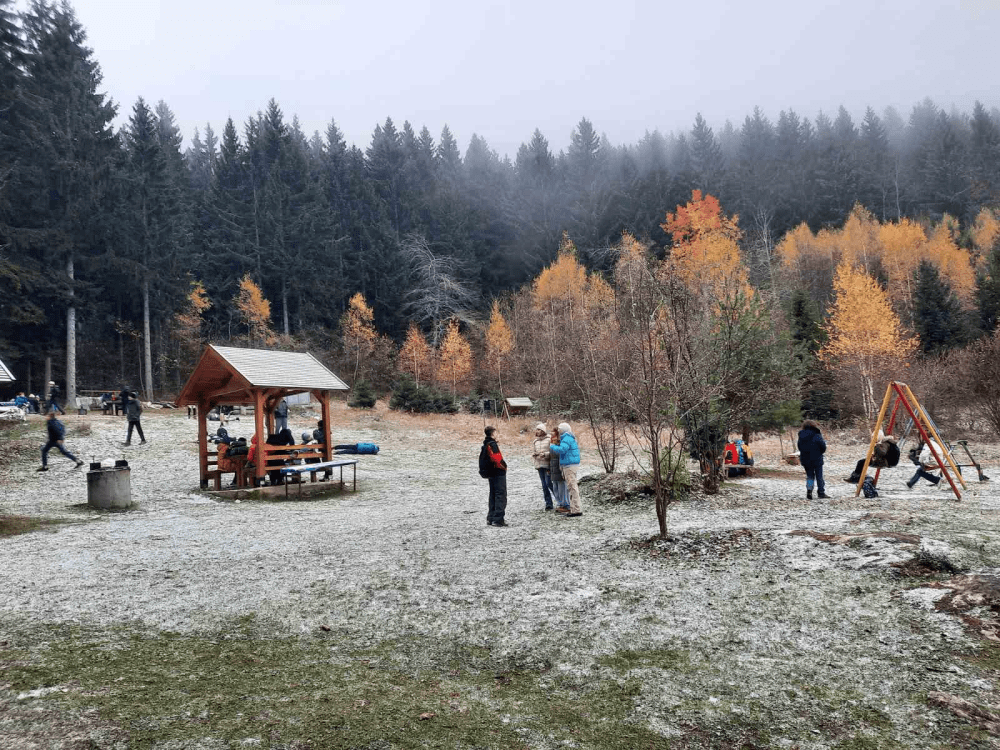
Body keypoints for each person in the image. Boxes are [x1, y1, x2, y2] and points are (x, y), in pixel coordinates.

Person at [549, 422, 582, 517]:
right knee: (571, 487)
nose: (558, 431)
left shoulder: (566, 438)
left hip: (569, 466)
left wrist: (552, 446)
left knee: (572, 487)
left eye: (559, 429)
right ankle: (574, 508)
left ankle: (576, 510)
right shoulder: (569, 437)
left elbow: (562, 449)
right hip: (569, 465)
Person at [479, 425, 508, 527]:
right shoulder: (492, 444)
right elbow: (497, 460)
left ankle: (491, 518)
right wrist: (504, 467)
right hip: (498, 472)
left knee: (493, 495)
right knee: (500, 495)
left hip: (491, 473)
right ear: (493, 433)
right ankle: (498, 519)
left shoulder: (485, 444)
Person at [797, 419, 828, 499]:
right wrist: (820, 452)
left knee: (810, 476)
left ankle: (809, 491)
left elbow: (799, 447)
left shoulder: (801, 435)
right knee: (819, 476)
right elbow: (823, 446)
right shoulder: (817, 434)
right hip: (817, 458)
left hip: (805, 458)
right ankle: (821, 492)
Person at [531, 423, 554, 510]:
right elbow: (534, 452)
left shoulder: (549, 439)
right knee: (544, 485)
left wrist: (545, 454)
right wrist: (535, 455)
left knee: (549, 483)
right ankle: (548, 504)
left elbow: (553, 452)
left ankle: (560, 500)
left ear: (543, 431)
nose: (537, 431)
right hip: (539, 466)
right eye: (536, 429)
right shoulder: (535, 442)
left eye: (539, 429)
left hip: (547, 465)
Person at [549, 427, 570, 513]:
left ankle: (565, 504)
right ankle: (560, 503)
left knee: (562, 487)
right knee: (555, 487)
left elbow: (561, 454)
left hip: (560, 468)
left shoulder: (561, 444)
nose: (552, 437)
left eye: (554, 435)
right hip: (553, 468)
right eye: (551, 435)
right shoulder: (551, 444)